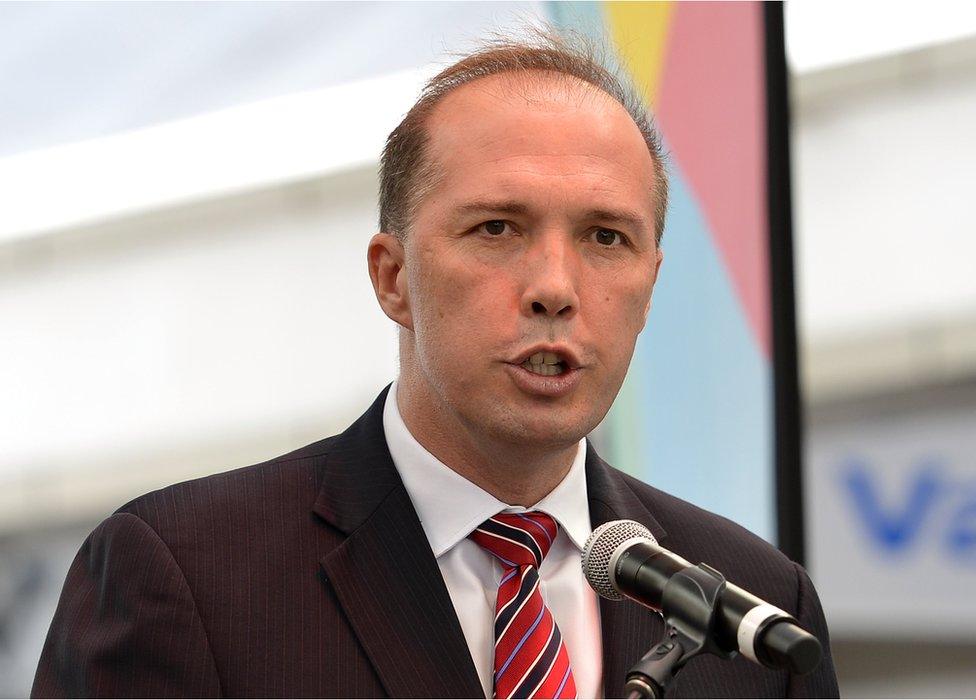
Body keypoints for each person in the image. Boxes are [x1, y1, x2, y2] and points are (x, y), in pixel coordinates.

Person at [33, 34, 839, 699]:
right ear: (393, 277)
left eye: (605, 238)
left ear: (651, 287)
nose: (555, 288)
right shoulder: (187, 576)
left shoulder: (756, 604)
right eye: (496, 228)